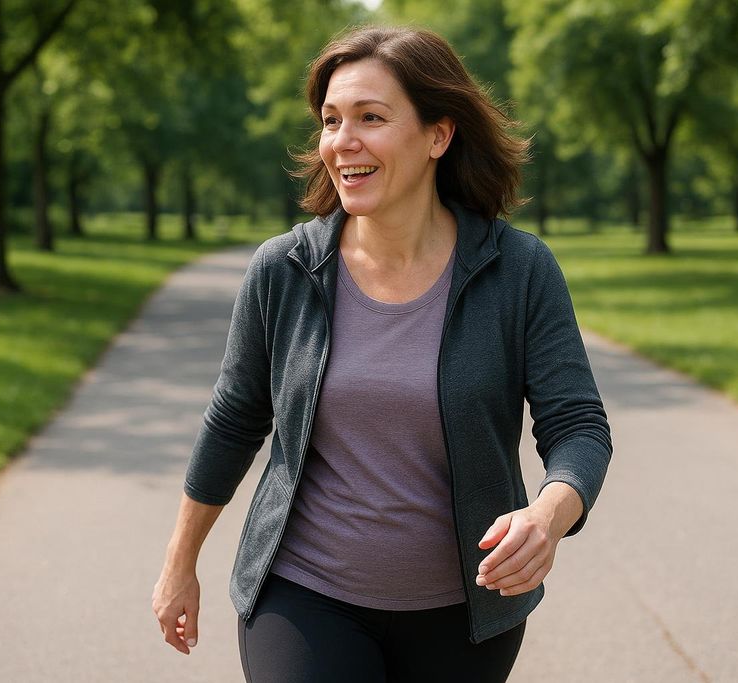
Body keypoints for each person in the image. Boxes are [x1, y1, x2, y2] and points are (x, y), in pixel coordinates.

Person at [152, 24, 613, 682]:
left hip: (466, 612)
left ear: (437, 135)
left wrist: (549, 513)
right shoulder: (284, 270)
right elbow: (233, 419)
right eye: (331, 119)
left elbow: (578, 425)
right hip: (304, 595)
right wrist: (179, 562)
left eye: (371, 117)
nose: (344, 141)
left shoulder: (519, 270)